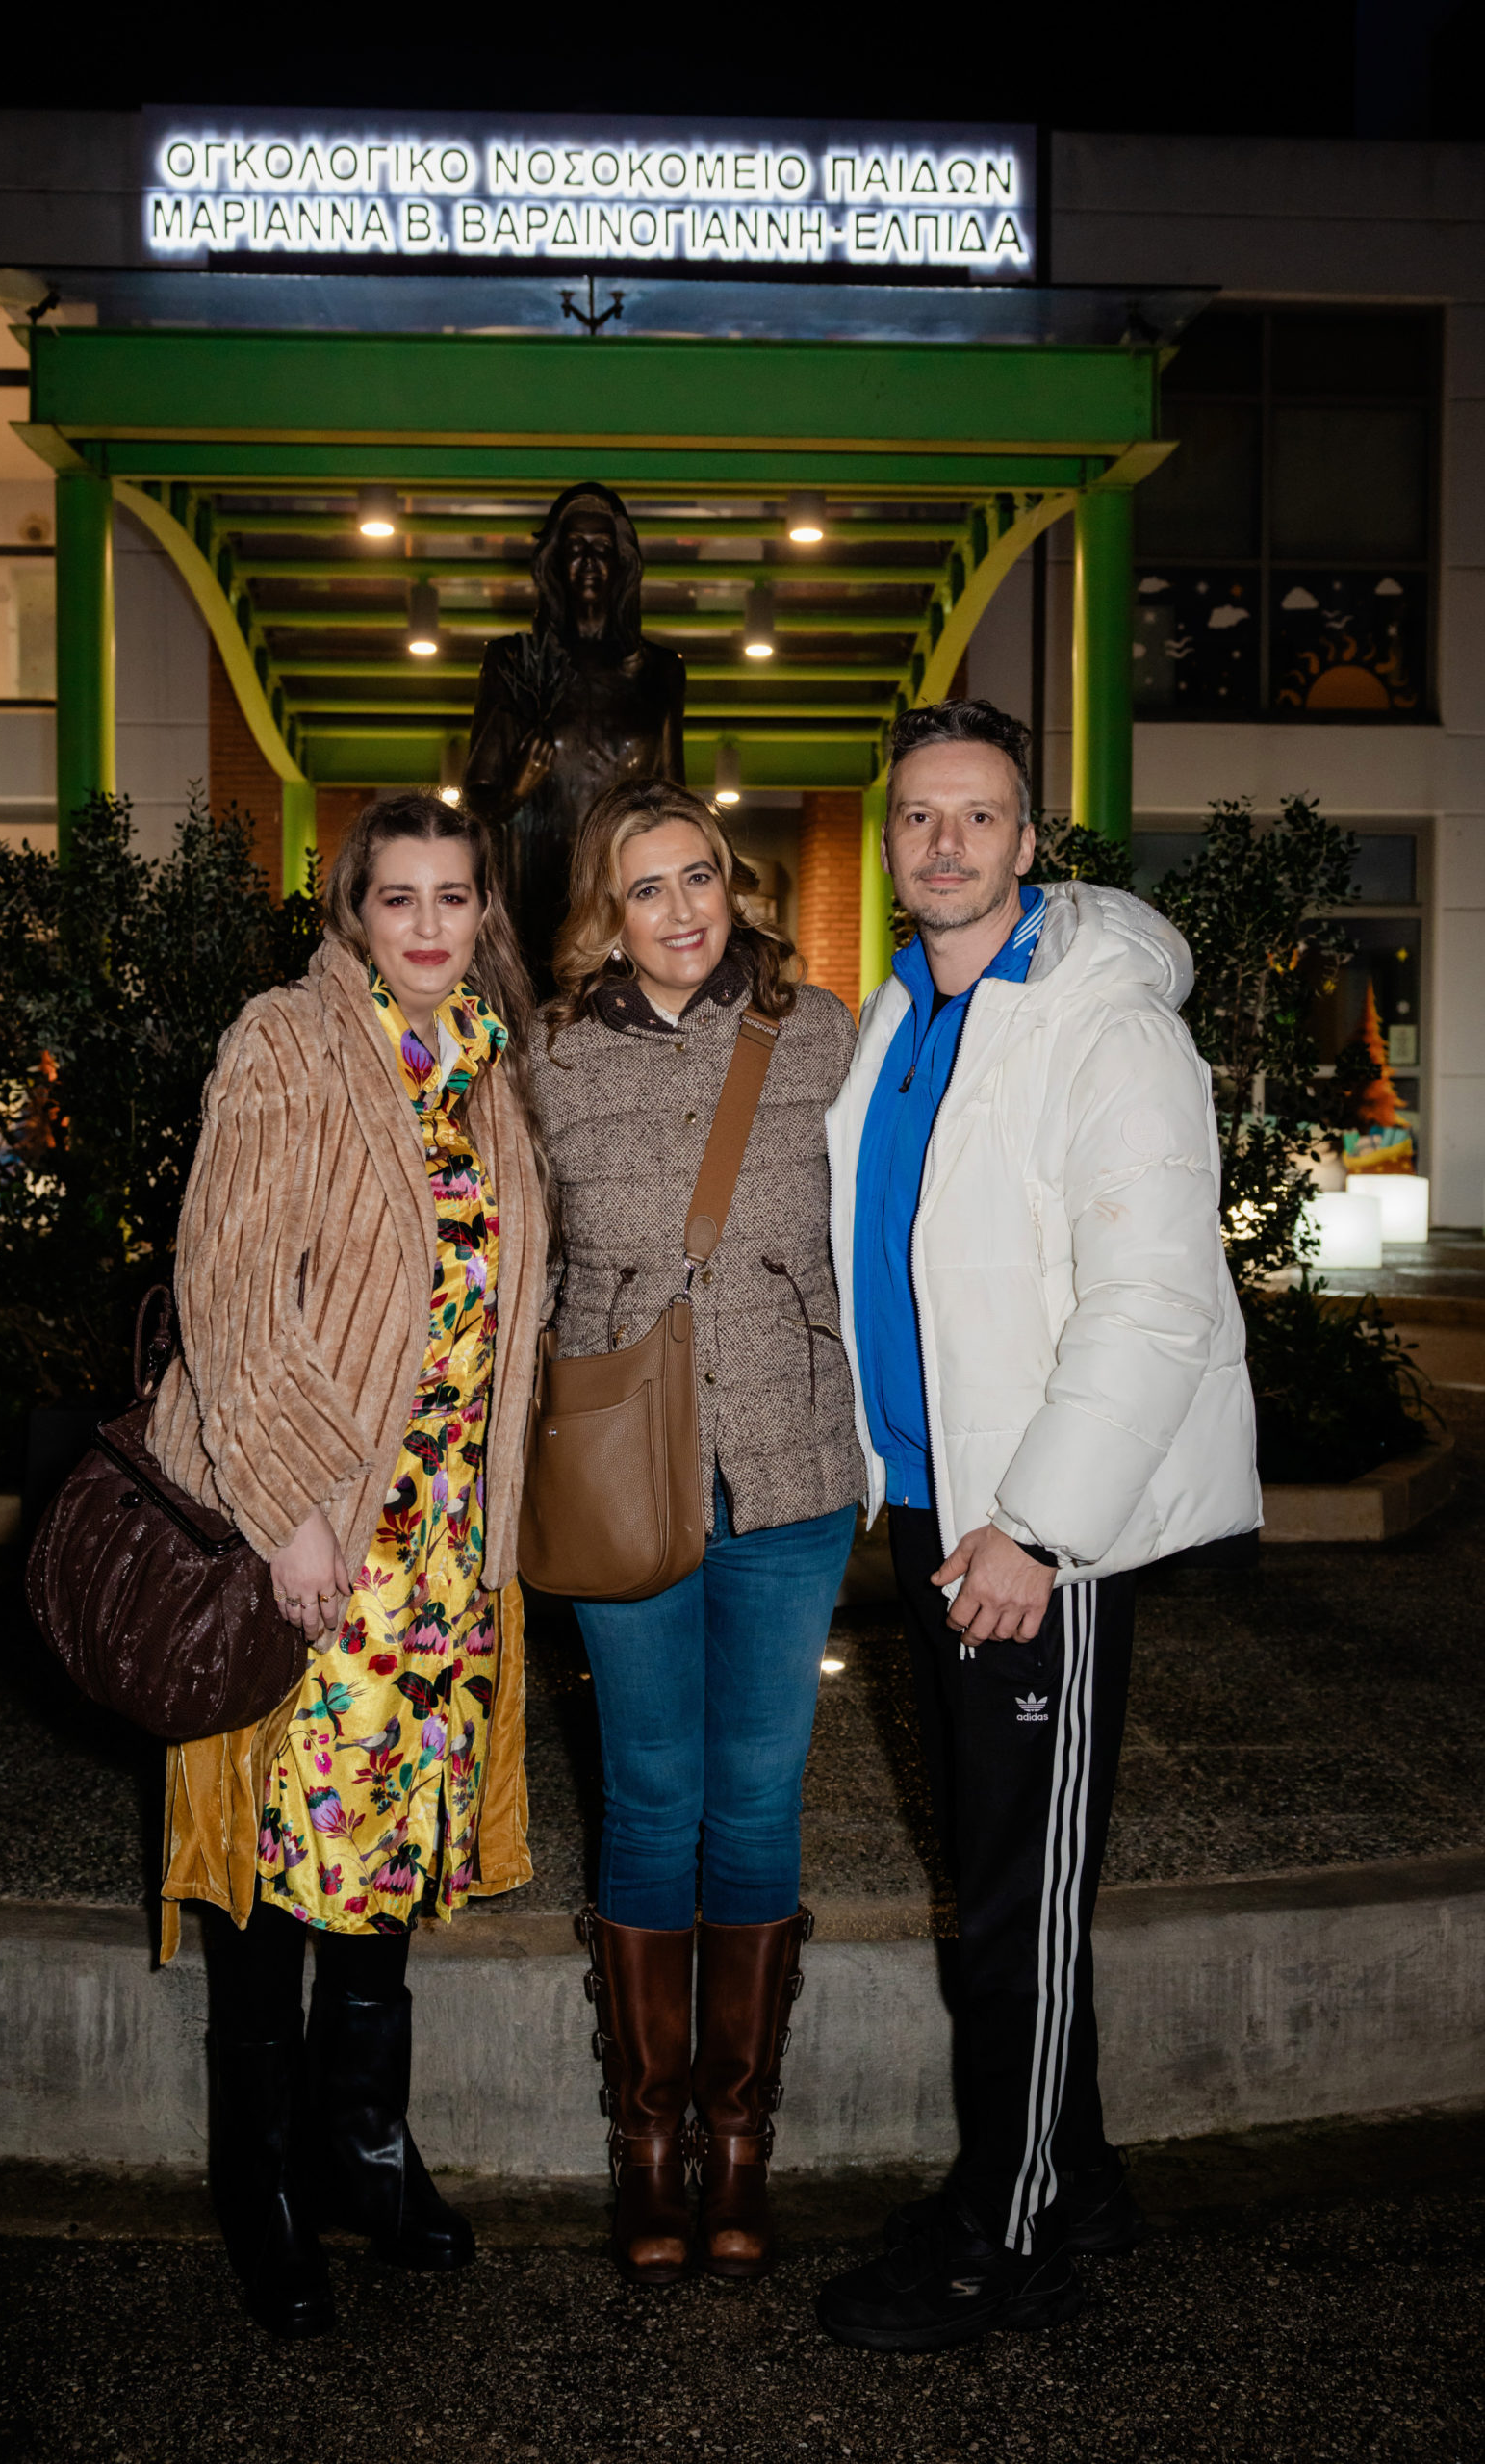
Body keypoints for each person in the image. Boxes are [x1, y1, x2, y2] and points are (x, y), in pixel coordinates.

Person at [815, 699, 1259, 2351]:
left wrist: (1039, 1531)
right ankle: (1074, 2179)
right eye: (918, 816)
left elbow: (1153, 1303)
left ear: (1027, 838)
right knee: (995, 1873)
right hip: (937, 1507)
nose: (946, 844)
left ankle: (1004, 2242)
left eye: (979, 816)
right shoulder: (904, 1013)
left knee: (1020, 1898)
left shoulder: (1103, 1024)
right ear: (890, 839)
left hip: (1029, 1540)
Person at [148, 791, 549, 2338]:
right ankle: (259, 2183)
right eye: (401, 898)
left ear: (483, 912)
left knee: (387, 1853)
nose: (431, 926)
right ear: (353, 912)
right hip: (313, 1531)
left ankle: (364, 2152)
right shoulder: (288, 1043)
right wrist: (289, 1507)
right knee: (272, 1858)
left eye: (456, 897)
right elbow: (228, 1287)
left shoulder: (489, 1064)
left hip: (442, 1543)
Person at [531, 777, 863, 2284]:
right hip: (622, 1478)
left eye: (700, 878)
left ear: (735, 886)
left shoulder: (821, 1033)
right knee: (650, 1797)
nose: (680, 910)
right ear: (606, 914)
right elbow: (520, 1270)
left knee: (758, 1799)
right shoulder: (546, 1056)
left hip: (791, 1473)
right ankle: (646, 2145)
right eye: (646, 887)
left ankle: (739, 2143)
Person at [464, 481, 686, 985]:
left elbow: (676, 807)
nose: (588, 561)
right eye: (575, 547)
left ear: (622, 562)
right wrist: (515, 787)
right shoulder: (513, 663)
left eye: (602, 548)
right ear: (554, 561)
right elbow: (474, 808)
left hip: (626, 908)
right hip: (534, 907)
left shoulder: (660, 673)